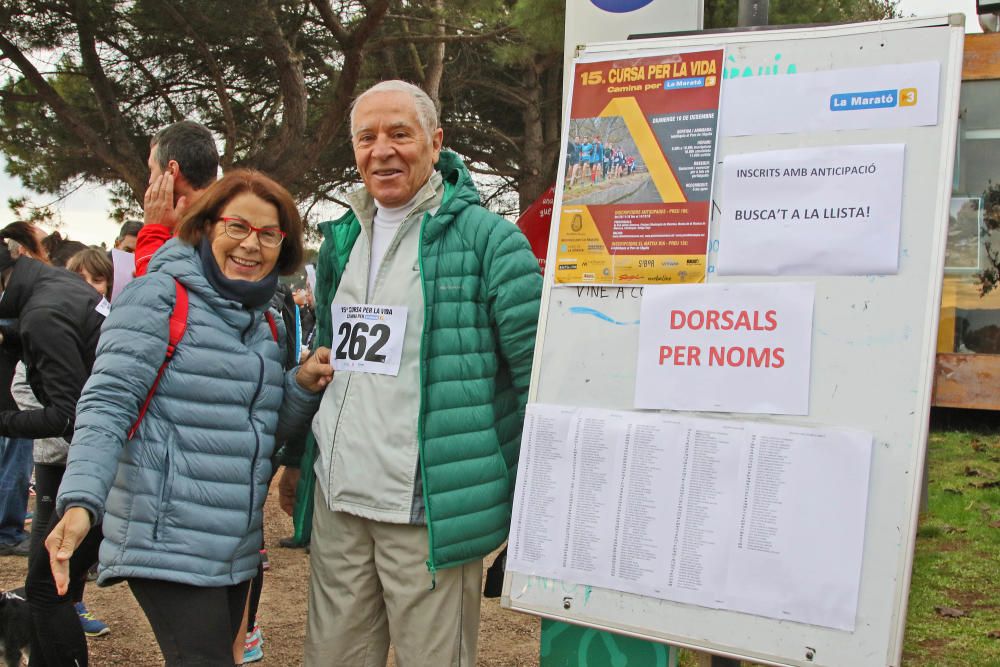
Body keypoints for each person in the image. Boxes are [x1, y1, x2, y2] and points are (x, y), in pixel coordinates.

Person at [293, 79, 541, 667]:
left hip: (428, 508)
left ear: (435, 142)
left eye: (399, 133)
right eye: (366, 137)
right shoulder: (343, 238)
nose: (382, 150)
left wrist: (536, 490)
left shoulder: (490, 240)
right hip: (341, 494)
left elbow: (536, 371)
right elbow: (335, 353)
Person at [46, 169, 330, 667]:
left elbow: (261, 431)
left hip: (234, 543)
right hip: (166, 536)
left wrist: (300, 387)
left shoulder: (264, 318)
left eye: (268, 233)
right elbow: (107, 404)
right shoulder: (157, 296)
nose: (251, 245)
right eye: (236, 227)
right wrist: (80, 500)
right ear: (205, 227)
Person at [0, 222, 107, 665]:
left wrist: (5, 422)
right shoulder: (53, 283)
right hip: (104, 452)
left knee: (46, 588)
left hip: (111, 457)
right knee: (55, 581)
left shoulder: (43, 312)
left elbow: (70, 412)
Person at [135, 120, 219, 276]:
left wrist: (153, 232)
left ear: (171, 170)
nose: (150, 181)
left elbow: (153, 291)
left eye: (152, 170)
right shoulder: (226, 213)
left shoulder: (208, 229)